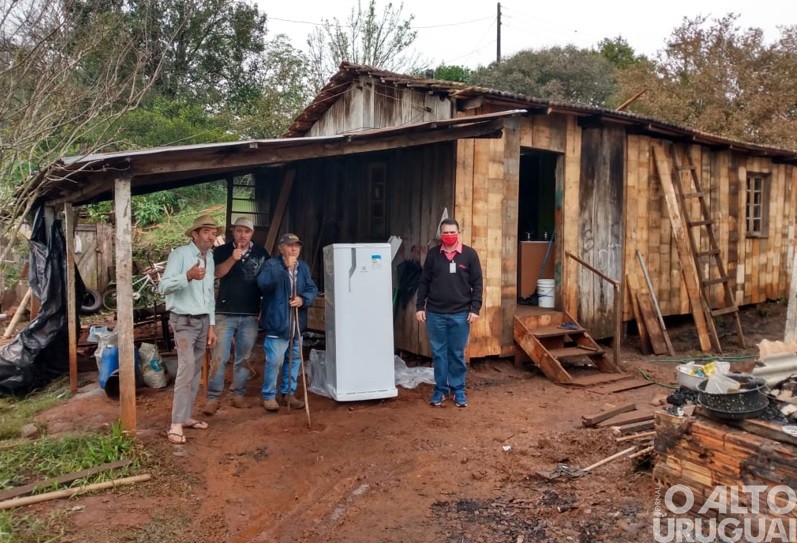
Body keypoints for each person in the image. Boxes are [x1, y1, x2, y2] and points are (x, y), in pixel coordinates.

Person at [159, 214, 218, 444]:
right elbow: (163, 286)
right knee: (186, 368)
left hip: (202, 320)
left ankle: (185, 417)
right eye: (206, 232)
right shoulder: (180, 255)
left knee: (195, 371)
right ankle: (175, 424)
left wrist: (211, 325)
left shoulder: (209, 258)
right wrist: (187, 276)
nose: (211, 236)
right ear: (195, 234)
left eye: (214, 233)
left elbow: (209, 295)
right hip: (183, 320)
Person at [202, 217, 269, 415]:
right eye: (239, 230)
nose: (243, 235)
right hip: (224, 312)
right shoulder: (221, 251)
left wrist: (264, 308)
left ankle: (237, 394)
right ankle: (213, 398)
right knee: (219, 357)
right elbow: (216, 274)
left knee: (244, 358)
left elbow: (265, 282)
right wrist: (233, 258)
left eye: (247, 231)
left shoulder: (261, 253)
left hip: (250, 313)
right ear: (233, 232)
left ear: (252, 233)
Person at [415, 218, 483, 408]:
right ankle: (440, 390)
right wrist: (420, 307)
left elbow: (477, 284)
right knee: (438, 353)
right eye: (445, 232)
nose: (449, 236)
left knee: (456, 353)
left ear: (459, 233)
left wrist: (475, 308)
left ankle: (458, 390)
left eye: (453, 232)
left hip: (461, 313)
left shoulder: (469, 255)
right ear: (440, 235)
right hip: (435, 313)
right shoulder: (433, 255)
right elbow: (424, 282)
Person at [256, 233, 318, 412]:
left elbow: (311, 288)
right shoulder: (271, 265)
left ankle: (288, 393)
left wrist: (303, 299)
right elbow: (263, 284)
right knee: (275, 361)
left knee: (294, 360)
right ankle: (269, 396)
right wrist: (283, 267)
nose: (294, 249)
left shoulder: (303, 267)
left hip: (297, 323)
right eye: (290, 245)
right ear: (281, 248)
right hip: (277, 322)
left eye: (297, 246)